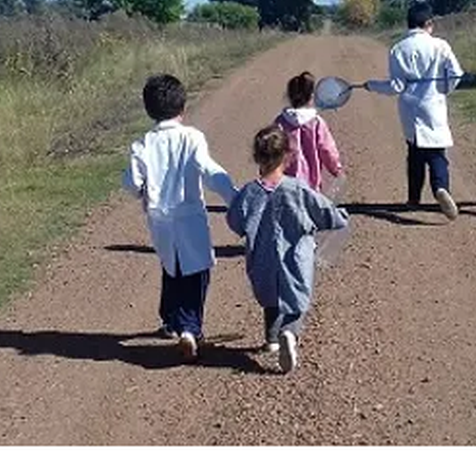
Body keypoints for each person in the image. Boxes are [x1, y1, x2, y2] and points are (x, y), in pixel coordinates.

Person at [123, 74, 236, 361]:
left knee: (171, 266)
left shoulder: (142, 144)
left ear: (149, 109)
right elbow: (209, 172)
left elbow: (132, 184)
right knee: (196, 272)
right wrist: (235, 198)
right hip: (190, 217)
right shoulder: (192, 137)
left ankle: (170, 320)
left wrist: (143, 192)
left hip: (160, 219)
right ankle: (189, 328)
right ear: (183, 108)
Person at [226, 125, 349, 373]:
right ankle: (289, 334)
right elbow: (327, 214)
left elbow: (235, 221)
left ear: (257, 156)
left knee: (270, 298)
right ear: (288, 156)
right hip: (296, 256)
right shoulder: (298, 189)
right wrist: (340, 216)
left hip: (261, 258)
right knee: (296, 300)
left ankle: (272, 340)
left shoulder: (249, 192)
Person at [367, 1, 464, 220]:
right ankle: (441, 188)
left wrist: (372, 85)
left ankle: (413, 198)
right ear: (429, 23)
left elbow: (396, 87)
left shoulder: (398, 48)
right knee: (438, 154)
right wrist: (443, 88)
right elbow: (456, 74)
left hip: (410, 108)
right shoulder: (441, 46)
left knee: (415, 155)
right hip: (434, 105)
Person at [275, 72, 344, 192]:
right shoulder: (316, 123)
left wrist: (265, 172)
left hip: (285, 186)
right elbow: (327, 149)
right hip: (311, 186)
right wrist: (336, 169)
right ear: (311, 96)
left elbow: (271, 150)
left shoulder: (280, 122)